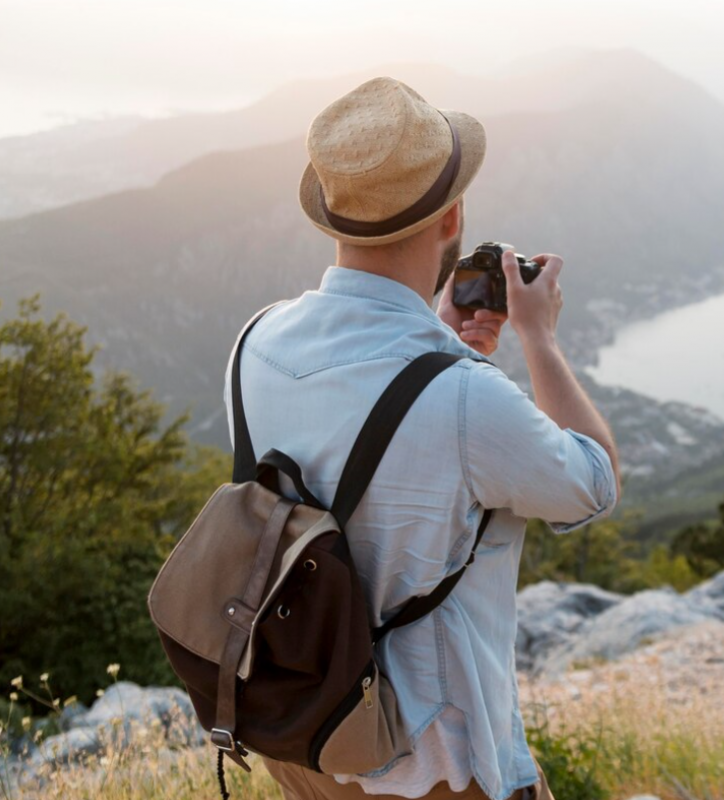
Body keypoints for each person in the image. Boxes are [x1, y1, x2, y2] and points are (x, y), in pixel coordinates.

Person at [223, 77, 621, 800]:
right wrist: (539, 337)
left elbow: (350, 442)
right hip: (430, 764)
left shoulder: (256, 341)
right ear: (453, 217)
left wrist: (436, 343)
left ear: (334, 216)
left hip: (301, 736)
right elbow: (593, 484)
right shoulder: (465, 396)